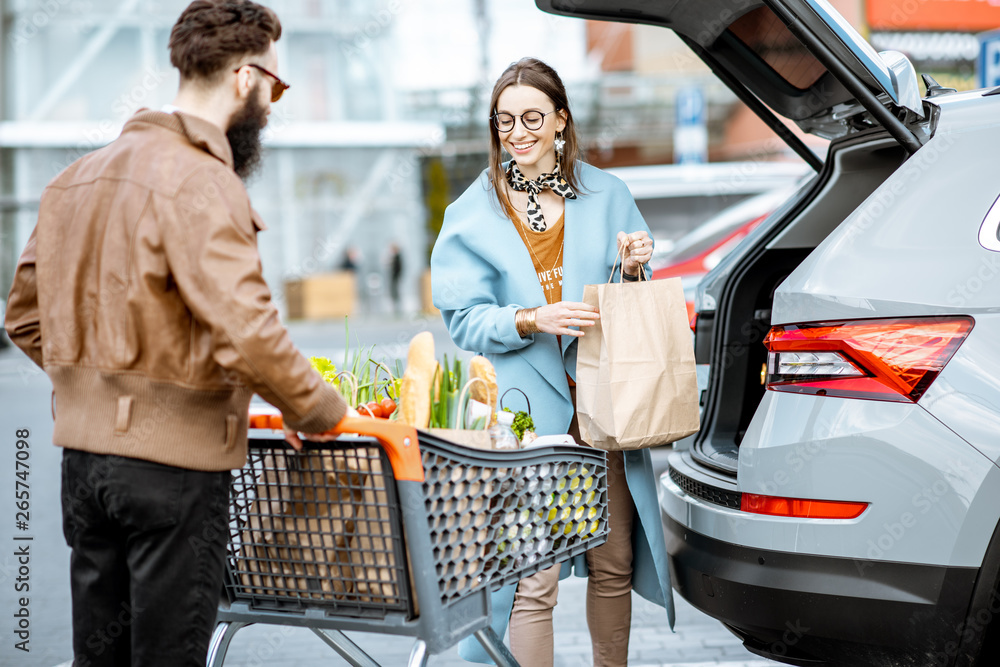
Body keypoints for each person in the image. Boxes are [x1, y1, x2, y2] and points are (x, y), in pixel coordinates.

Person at [4, 2, 349, 665]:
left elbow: (22, 315)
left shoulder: (73, 179)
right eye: (275, 86)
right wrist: (321, 409)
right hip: (173, 471)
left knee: (99, 657)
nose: (273, 105)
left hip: (84, 467)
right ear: (245, 79)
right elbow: (246, 330)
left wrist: (99, 391)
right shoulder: (204, 181)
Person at [430, 57, 674, 667]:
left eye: (532, 116)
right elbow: (464, 319)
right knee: (531, 580)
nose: (518, 131)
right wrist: (529, 319)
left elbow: (635, 298)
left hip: (604, 407)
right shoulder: (474, 209)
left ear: (561, 121)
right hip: (525, 419)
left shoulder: (608, 194)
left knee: (612, 562)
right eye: (504, 120)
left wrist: (637, 266)